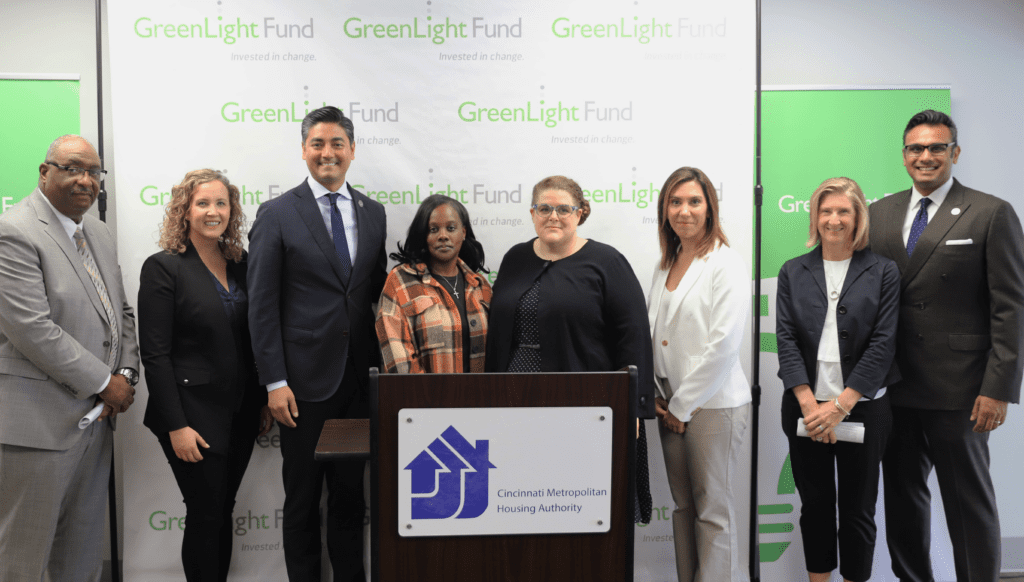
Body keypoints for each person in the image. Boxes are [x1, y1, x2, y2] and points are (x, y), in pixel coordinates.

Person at [869, 110, 1024, 582]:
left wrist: (998, 388)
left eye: (937, 147)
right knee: (902, 502)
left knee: (967, 505)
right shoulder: (879, 213)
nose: (926, 156)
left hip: (962, 391)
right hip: (894, 387)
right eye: (916, 148)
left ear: (955, 153)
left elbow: (1011, 308)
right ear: (903, 156)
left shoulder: (990, 212)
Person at [247, 105, 387, 582]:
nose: (328, 153)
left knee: (350, 496)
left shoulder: (373, 212)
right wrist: (274, 382)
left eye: (337, 143)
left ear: (352, 150)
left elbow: (372, 292)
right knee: (302, 498)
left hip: (358, 382)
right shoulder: (278, 213)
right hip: (301, 385)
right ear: (304, 150)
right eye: (318, 144)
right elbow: (261, 305)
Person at [0, 135, 140, 581]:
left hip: (95, 422)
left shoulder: (96, 230)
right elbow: (32, 329)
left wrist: (126, 373)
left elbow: (120, 311)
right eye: (72, 168)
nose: (85, 180)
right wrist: (104, 382)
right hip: (37, 426)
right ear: (45, 172)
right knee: (23, 557)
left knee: (80, 555)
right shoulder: (14, 231)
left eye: (93, 172)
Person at [485, 175, 655, 522]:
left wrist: (634, 407)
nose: (554, 216)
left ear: (580, 213)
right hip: (513, 398)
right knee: (520, 496)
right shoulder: (515, 258)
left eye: (564, 209)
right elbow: (499, 333)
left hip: (584, 399)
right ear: (532, 213)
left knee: (576, 503)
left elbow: (634, 335)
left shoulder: (607, 262)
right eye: (544, 208)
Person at [138, 169, 273, 581]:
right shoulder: (163, 267)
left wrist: (262, 399)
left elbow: (256, 337)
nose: (213, 212)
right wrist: (177, 426)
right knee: (205, 512)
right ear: (185, 210)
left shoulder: (242, 263)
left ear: (232, 211)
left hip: (241, 412)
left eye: (221, 204)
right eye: (202, 203)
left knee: (222, 510)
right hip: (191, 416)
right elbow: (155, 355)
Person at [776, 177, 900, 582]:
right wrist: (811, 406)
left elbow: (883, 343)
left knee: (858, 509)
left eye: (843, 211)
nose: (834, 219)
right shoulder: (793, 271)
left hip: (864, 408)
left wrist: (840, 406)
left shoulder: (883, 271)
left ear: (858, 216)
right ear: (815, 217)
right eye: (825, 211)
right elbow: (786, 339)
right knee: (814, 506)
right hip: (805, 408)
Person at [647, 167, 752, 582]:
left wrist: (682, 405)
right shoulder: (665, 263)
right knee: (683, 508)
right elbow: (656, 334)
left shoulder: (725, 262)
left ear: (710, 208)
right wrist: (659, 395)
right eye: (675, 202)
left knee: (713, 512)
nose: (684, 210)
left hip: (712, 405)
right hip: (671, 404)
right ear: (664, 210)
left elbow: (723, 346)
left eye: (694, 201)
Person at [376, 195, 491, 373]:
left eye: (451, 228)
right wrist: (431, 392)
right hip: (421, 392)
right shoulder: (400, 282)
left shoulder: (480, 286)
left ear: (463, 233)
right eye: (433, 229)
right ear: (423, 235)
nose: (443, 236)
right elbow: (398, 364)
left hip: (481, 391)